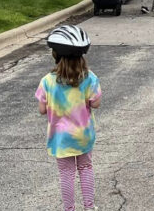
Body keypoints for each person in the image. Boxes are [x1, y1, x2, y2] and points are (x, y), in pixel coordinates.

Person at [37, 25, 101, 211]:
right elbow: (95, 103)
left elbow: (42, 109)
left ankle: (69, 209)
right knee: (86, 169)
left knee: (66, 173)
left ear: (55, 55)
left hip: (60, 137)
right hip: (83, 135)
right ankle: (89, 207)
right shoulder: (90, 78)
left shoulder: (47, 81)